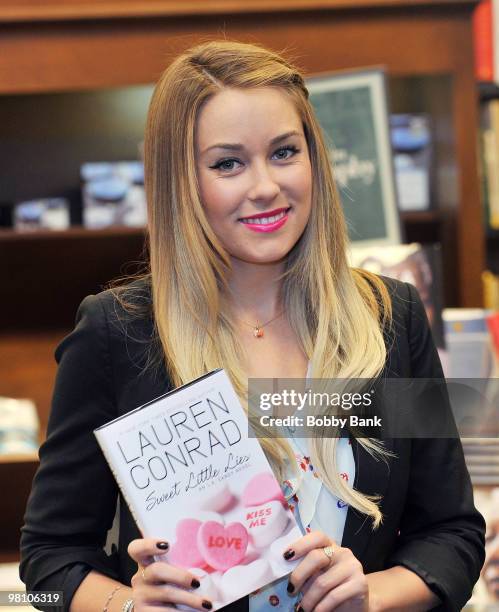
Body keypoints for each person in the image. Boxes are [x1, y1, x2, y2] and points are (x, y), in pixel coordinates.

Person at [20, 40, 485, 612]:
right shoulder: (118, 334)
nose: (264, 186)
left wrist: (371, 594)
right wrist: (127, 607)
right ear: (180, 181)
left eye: (285, 152)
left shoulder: (389, 319)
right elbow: (42, 570)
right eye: (227, 163)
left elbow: (454, 539)